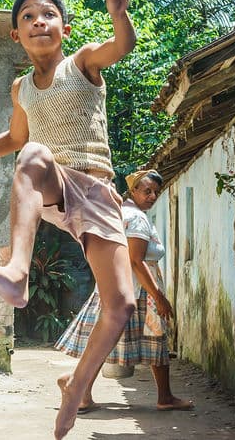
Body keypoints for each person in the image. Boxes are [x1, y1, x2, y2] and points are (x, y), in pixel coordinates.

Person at [0, 0, 137, 439]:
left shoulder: (83, 63)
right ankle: (18, 272)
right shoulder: (20, 88)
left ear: (64, 27)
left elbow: (122, 46)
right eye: (28, 17)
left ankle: (76, 385)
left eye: (48, 14)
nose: (39, 21)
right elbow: (16, 138)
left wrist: (118, 14)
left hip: (97, 191)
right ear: (15, 35)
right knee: (34, 153)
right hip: (53, 184)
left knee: (121, 304)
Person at [55, 169, 193, 413]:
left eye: (156, 192)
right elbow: (136, 261)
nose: (152, 196)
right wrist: (158, 297)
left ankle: (80, 392)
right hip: (138, 291)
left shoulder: (121, 212)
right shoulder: (137, 218)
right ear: (133, 190)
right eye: (147, 191)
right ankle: (164, 397)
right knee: (156, 341)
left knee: (103, 342)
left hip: (114, 287)